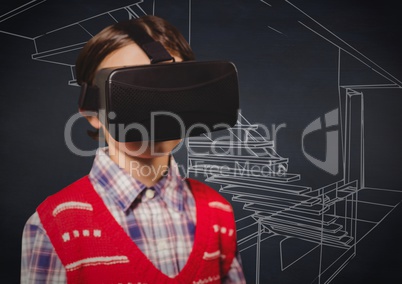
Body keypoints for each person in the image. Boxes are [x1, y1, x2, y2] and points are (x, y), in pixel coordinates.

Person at [21, 15, 246, 283]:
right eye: (131, 92)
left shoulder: (218, 210)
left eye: (170, 88)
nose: (156, 111)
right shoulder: (54, 226)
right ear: (91, 111)